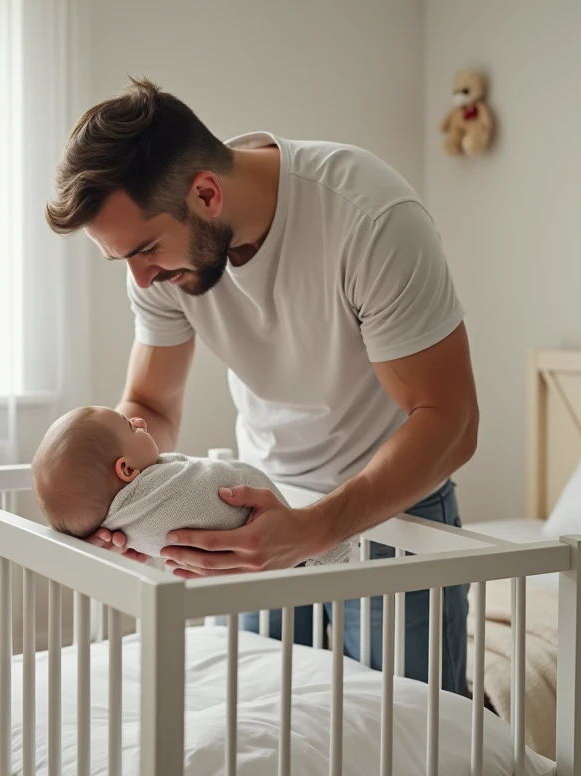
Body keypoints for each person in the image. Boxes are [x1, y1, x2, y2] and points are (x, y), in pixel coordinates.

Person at [44, 77, 479, 695]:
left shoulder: (370, 220)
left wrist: (315, 529)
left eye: (144, 251)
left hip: (392, 514)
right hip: (253, 512)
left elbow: (451, 422)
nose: (142, 281)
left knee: (410, 740)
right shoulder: (162, 267)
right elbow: (150, 406)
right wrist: (125, 507)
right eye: (125, 263)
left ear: (207, 192)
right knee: (273, 726)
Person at [30, 405, 352, 565]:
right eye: (130, 427)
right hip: (271, 516)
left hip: (349, 488)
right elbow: (213, 481)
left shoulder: (124, 518)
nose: (140, 421)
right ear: (126, 469)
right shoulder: (157, 494)